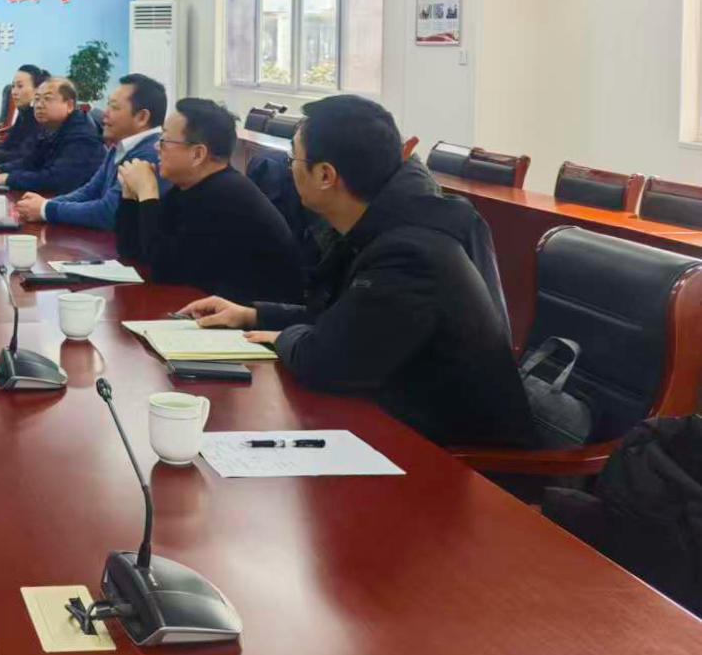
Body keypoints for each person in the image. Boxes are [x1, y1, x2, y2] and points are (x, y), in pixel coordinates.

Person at [181, 95, 534, 449]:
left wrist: (283, 336)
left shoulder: (410, 253)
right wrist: (253, 315)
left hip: (456, 461)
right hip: (399, 426)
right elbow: (344, 320)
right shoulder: (388, 227)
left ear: (325, 175)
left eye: (293, 159)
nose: (289, 169)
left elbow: (324, 361)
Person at [116, 98, 303, 303]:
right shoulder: (188, 186)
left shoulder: (227, 196)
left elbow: (164, 271)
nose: (156, 146)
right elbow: (131, 251)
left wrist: (147, 193)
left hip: (255, 316)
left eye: (164, 140)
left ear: (198, 154)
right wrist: (130, 195)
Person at [14, 73, 166, 229]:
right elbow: (90, 191)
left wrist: (45, 209)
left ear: (142, 117)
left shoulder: (151, 154)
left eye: (114, 107)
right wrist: (46, 204)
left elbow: (109, 213)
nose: (105, 113)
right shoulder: (121, 147)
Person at [0, 78, 105, 196]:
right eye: (36, 99)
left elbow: (56, 179)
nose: (39, 105)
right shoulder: (51, 127)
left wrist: (9, 178)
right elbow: (31, 162)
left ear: (69, 105)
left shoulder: (82, 136)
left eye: (47, 99)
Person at [0, 64, 47, 166]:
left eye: (20, 86)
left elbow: (21, 157)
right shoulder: (25, 113)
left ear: (37, 89)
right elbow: (6, 147)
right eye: (13, 86)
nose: (14, 92)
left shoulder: (41, 118)